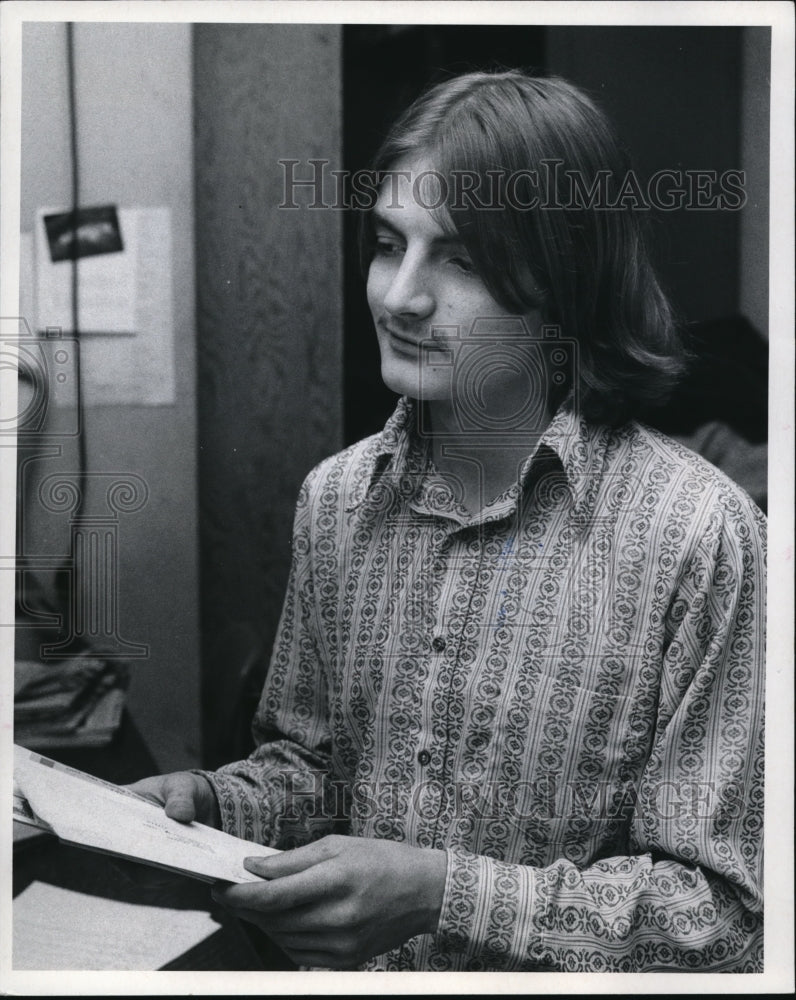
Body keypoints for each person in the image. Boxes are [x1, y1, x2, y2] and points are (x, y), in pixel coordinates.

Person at [131, 71, 765, 972]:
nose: (399, 297)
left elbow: (732, 921)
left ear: (566, 285)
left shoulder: (700, 536)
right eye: (390, 245)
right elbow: (324, 774)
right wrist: (211, 804)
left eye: (460, 259)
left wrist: (443, 893)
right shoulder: (340, 501)